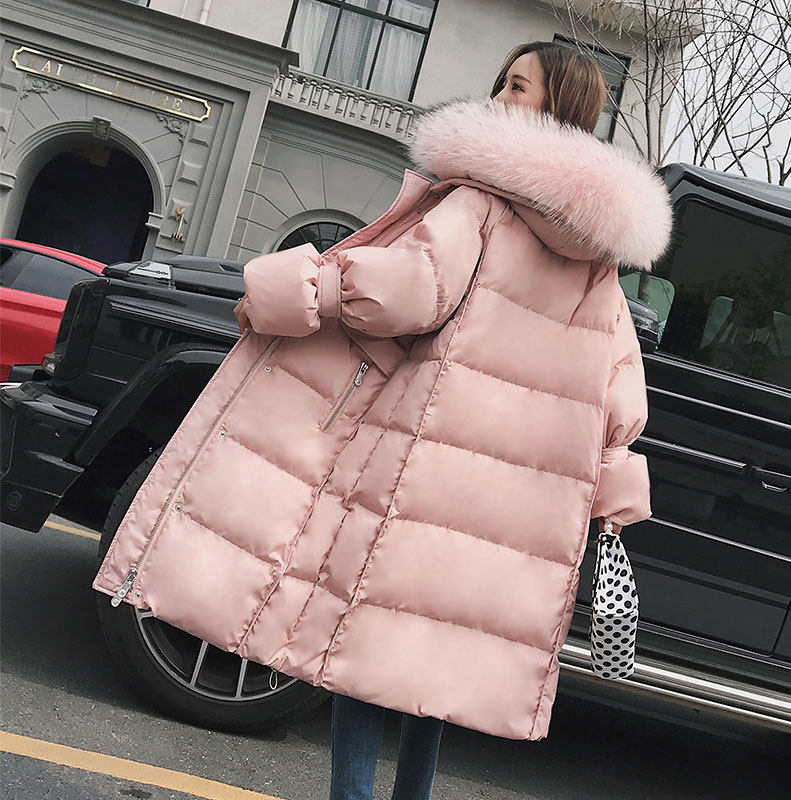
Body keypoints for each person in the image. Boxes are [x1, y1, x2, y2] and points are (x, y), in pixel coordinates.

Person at [95, 40, 671, 800]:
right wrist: (615, 480)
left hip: (425, 469)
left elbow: (407, 290)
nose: (499, 97)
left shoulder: (481, 204)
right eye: (501, 81)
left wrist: (292, 290)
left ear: (557, 107)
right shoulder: (597, 258)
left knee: (365, 649)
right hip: (510, 503)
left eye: (518, 87)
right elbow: (620, 380)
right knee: (430, 664)